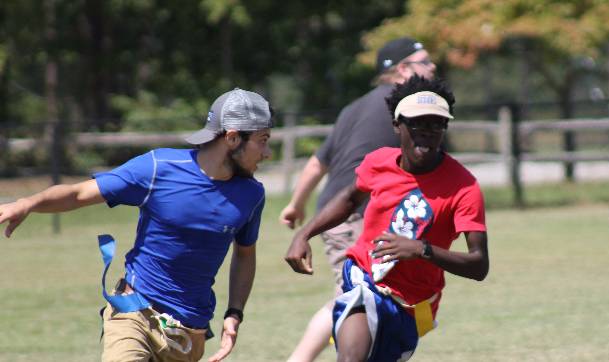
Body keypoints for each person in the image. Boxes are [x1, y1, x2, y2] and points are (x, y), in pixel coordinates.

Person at [0, 88, 273, 362]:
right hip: (135, 312)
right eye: (262, 141)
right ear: (232, 138)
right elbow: (79, 193)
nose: (268, 153)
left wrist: (234, 313)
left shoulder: (251, 195)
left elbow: (245, 254)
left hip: (189, 333)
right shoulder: (158, 168)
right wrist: (28, 203)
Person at [284, 75, 489, 361]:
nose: (426, 132)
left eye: (436, 124)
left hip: (412, 305)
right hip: (363, 278)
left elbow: (479, 265)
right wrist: (304, 234)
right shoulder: (378, 162)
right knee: (352, 357)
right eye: (416, 123)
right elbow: (350, 198)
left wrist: (422, 250)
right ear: (397, 125)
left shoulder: (464, 187)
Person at [279, 37, 436, 361]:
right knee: (355, 298)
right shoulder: (406, 107)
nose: (433, 66)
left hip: (335, 210)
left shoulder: (354, 107)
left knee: (364, 297)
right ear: (402, 69)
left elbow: (317, 163)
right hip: (353, 213)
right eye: (425, 61)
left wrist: (296, 204)